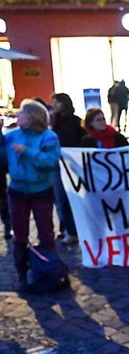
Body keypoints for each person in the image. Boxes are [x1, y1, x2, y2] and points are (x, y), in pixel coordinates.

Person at [0, 100, 60, 290]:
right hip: (17, 191)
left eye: (21, 114)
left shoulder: (49, 137)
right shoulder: (11, 136)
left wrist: (27, 152)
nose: (18, 117)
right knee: (20, 235)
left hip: (40, 190)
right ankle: (22, 275)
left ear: (32, 117)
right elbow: (2, 157)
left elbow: (50, 161)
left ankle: (50, 270)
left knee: (46, 233)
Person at [50, 93, 84, 245]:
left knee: (76, 196)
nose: (54, 105)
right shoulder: (53, 122)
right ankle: (69, 230)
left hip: (73, 163)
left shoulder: (76, 122)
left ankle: (79, 229)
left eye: (56, 102)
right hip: (57, 164)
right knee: (60, 198)